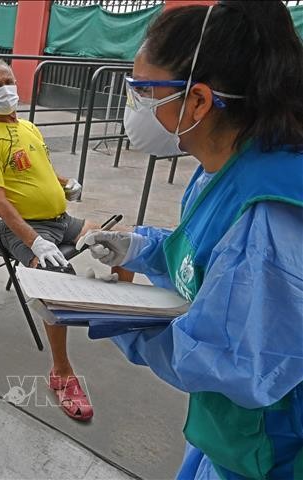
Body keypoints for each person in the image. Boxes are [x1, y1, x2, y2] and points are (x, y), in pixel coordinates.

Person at [83, 2, 303, 478]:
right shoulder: (225, 167)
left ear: (199, 101)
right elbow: (205, 256)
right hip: (229, 435)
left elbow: (229, 360)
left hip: (272, 448)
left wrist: (115, 317)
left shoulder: (269, 216)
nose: (135, 106)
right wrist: (139, 248)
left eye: (143, 91)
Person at [0, 59, 94, 422]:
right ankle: (62, 373)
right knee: (56, 280)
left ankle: (116, 315)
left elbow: (45, 173)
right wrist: (35, 242)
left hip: (62, 219)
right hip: (23, 229)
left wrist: (66, 184)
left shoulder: (29, 128)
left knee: (118, 240)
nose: (5, 88)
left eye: (8, 80)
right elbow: (0, 202)